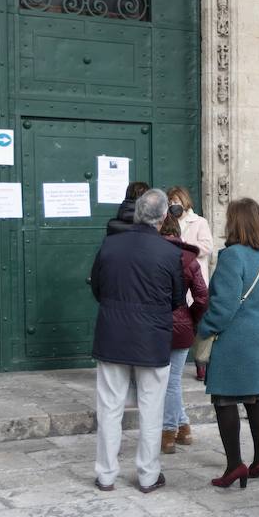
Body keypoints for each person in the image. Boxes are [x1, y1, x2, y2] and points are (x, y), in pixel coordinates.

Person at [91, 189, 186, 492]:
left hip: (113, 335)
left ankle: (106, 474)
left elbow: (98, 288)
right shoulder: (170, 253)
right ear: (162, 218)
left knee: (109, 407)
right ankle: (147, 474)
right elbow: (176, 298)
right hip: (152, 339)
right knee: (151, 408)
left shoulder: (110, 245)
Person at [198, 198, 259, 489]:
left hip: (237, 336)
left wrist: (205, 329)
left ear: (237, 223)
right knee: (256, 397)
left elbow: (223, 305)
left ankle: (234, 465)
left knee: (224, 398)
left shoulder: (233, 256)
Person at [159, 209, 209, 454]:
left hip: (156, 325)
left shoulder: (153, 255)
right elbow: (202, 296)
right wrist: (191, 317)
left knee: (166, 383)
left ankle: (168, 433)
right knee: (173, 381)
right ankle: (184, 427)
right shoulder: (190, 259)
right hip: (182, 325)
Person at [168, 186, 214, 380]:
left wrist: (186, 247)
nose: (173, 205)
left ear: (185, 201)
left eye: (176, 201)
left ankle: (201, 362)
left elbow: (207, 246)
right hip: (175, 280)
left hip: (195, 277)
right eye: (170, 202)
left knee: (202, 322)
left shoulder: (199, 222)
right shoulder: (166, 222)